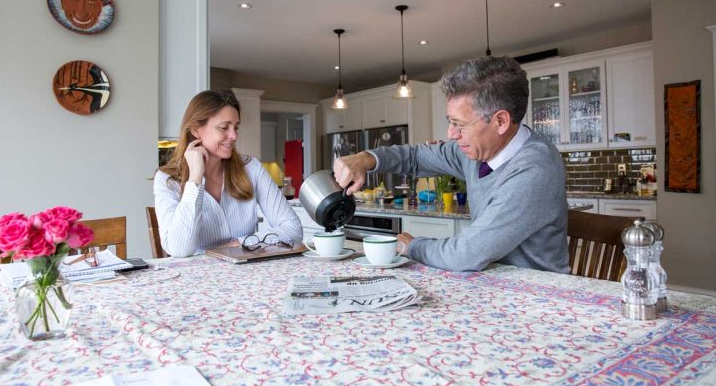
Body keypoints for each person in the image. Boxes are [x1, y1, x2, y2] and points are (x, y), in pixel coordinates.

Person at [334, 56, 569, 273]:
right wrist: (366, 158)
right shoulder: (473, 153)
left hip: (535, 295)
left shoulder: (534, 170)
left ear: (500, 121)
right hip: (490, 281)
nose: (452, 134)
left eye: (460, 124)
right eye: (450, 122)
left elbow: (465, 255)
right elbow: (416, 157)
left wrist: (412, 246)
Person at [154, 90, 302, 257]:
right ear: (196, 129)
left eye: (236, 127)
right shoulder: (167, 180)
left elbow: (294, 230)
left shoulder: (252, 169)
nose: (233, 136)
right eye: (224, 127)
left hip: (246, 274)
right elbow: (179, 250)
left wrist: (239, 243)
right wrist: (194, 180)